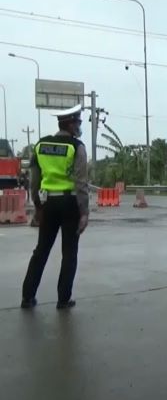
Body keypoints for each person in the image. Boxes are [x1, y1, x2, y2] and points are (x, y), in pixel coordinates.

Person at [21, 104, 89, 309]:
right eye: (77, 122)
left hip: (48, 203)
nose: (79, 126)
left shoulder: (41, 145)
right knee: (69, 252)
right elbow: (81, 182)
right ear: (70, 123)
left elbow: (35, 179)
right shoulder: (76, 147)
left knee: (41, 250)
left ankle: (27, 297)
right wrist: (84, 212)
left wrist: (37, 206)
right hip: (69, 204)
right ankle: (63, 299)